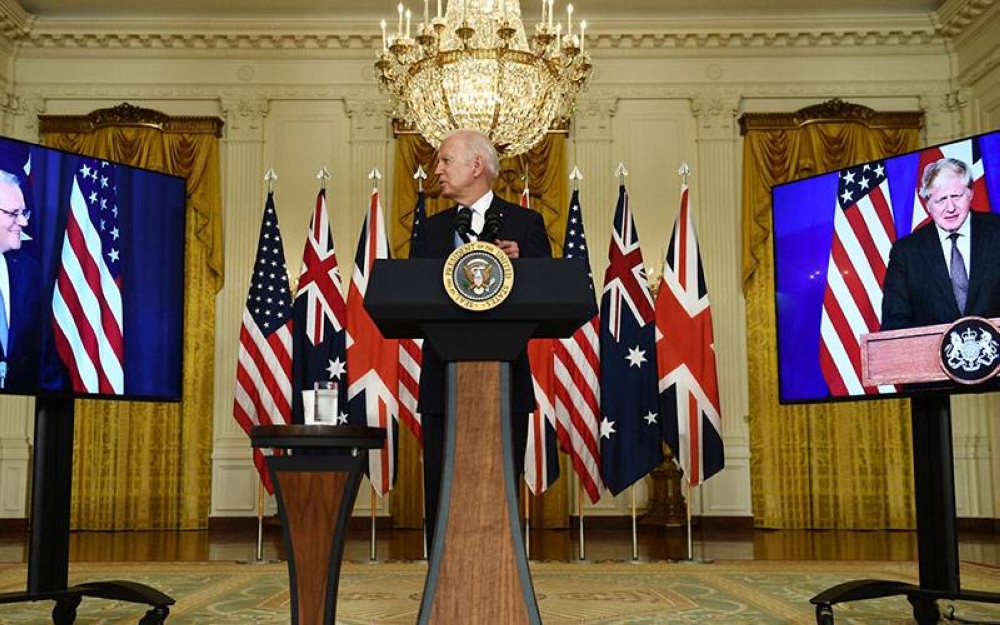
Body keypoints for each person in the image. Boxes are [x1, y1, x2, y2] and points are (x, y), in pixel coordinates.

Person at [409, 128, 551, 548]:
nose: (437, 170)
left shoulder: (526, 224)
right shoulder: (431, 230)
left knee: (500, 484)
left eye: (445, 161)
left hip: (505, 381)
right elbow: (412, 295)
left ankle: (503, 572)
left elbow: (550, 292)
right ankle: (440, 574)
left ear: (476, 166)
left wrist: (521, 267)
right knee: (441, 487)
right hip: (442, 382)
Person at [881, 157, 1000, 332]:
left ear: (970, 194)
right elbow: (894, 325)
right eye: (941, 200)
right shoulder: (906, 253)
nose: (950, 208)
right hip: (931, 358)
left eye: (956, 196)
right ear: (928, 204)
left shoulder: (996, 231)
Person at [0, 170, 42, 392]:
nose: (24, 222)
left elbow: (43, 360)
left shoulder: (29, 271)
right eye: (13, 214)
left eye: (23, 212)